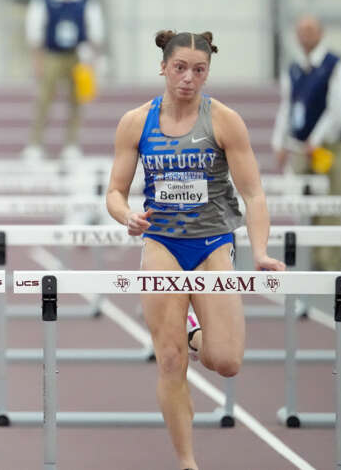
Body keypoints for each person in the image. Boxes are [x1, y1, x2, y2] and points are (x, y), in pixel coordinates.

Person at [105, 30, 285, 470]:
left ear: (208, 72)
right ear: (164, 67)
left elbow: (254, 194)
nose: (188, 78)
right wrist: (126, 215)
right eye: (180, 68)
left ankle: (193, 330)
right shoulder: (136, 121)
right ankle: (187, 463)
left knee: (225, 362)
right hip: (162, 242)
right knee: (170, 361)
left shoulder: (223, 120)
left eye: (199, 70)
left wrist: (259, 252)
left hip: (211, 243)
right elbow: (113, 190)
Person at [272, 15, 341, 271]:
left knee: (330, 206)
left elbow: (339, 109)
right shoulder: (293, 68)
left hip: (328, 147)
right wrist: (279, 142)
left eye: (311, 29)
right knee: (302, 206)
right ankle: (306, 265)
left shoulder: (335, 65)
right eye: (301, 30)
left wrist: (316, 140)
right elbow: (287, 107)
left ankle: (330, 265)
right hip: (299, 147)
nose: (305, 34)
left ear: (321, 32)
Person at [23, 0, 104, 162]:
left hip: (78, 54)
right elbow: (35, 29)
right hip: (52, 54)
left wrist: (92, 60)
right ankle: (35, 144)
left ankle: (71, 144)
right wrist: (37, 59)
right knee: (43, 99)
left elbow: (95, 29)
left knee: (77, 100)